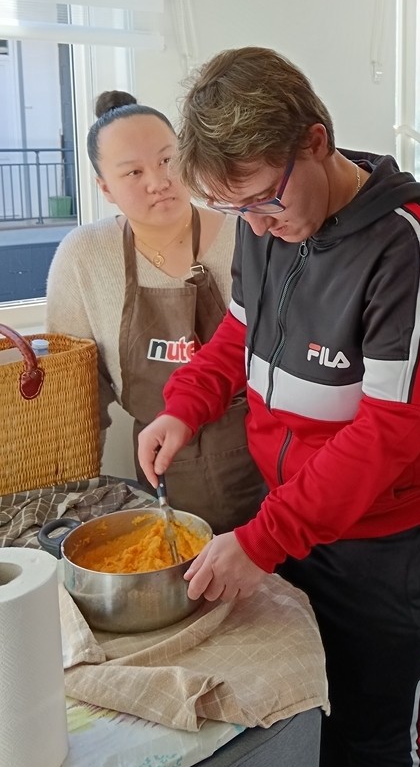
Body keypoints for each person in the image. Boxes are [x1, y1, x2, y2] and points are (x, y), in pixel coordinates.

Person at [135, 47, 420, 767]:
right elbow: (239, 337)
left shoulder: (417, 244)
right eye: (231, 209)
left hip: (404, 531)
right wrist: (185, 404)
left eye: (262, 198)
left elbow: (388, 435)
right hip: (304, 513)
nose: (253, 223)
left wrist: (261, 540)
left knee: (387, 730)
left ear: (318, 141)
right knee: (322, 705)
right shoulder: (265, 229)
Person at [45, 91, 265, 532]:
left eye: (168, 160)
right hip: (161, 465)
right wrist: (77, 488)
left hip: (263, 458)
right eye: (134, 172)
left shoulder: (252, 232)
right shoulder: (85, 256)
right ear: (105, 187)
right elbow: (78, 389)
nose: (159, 181)